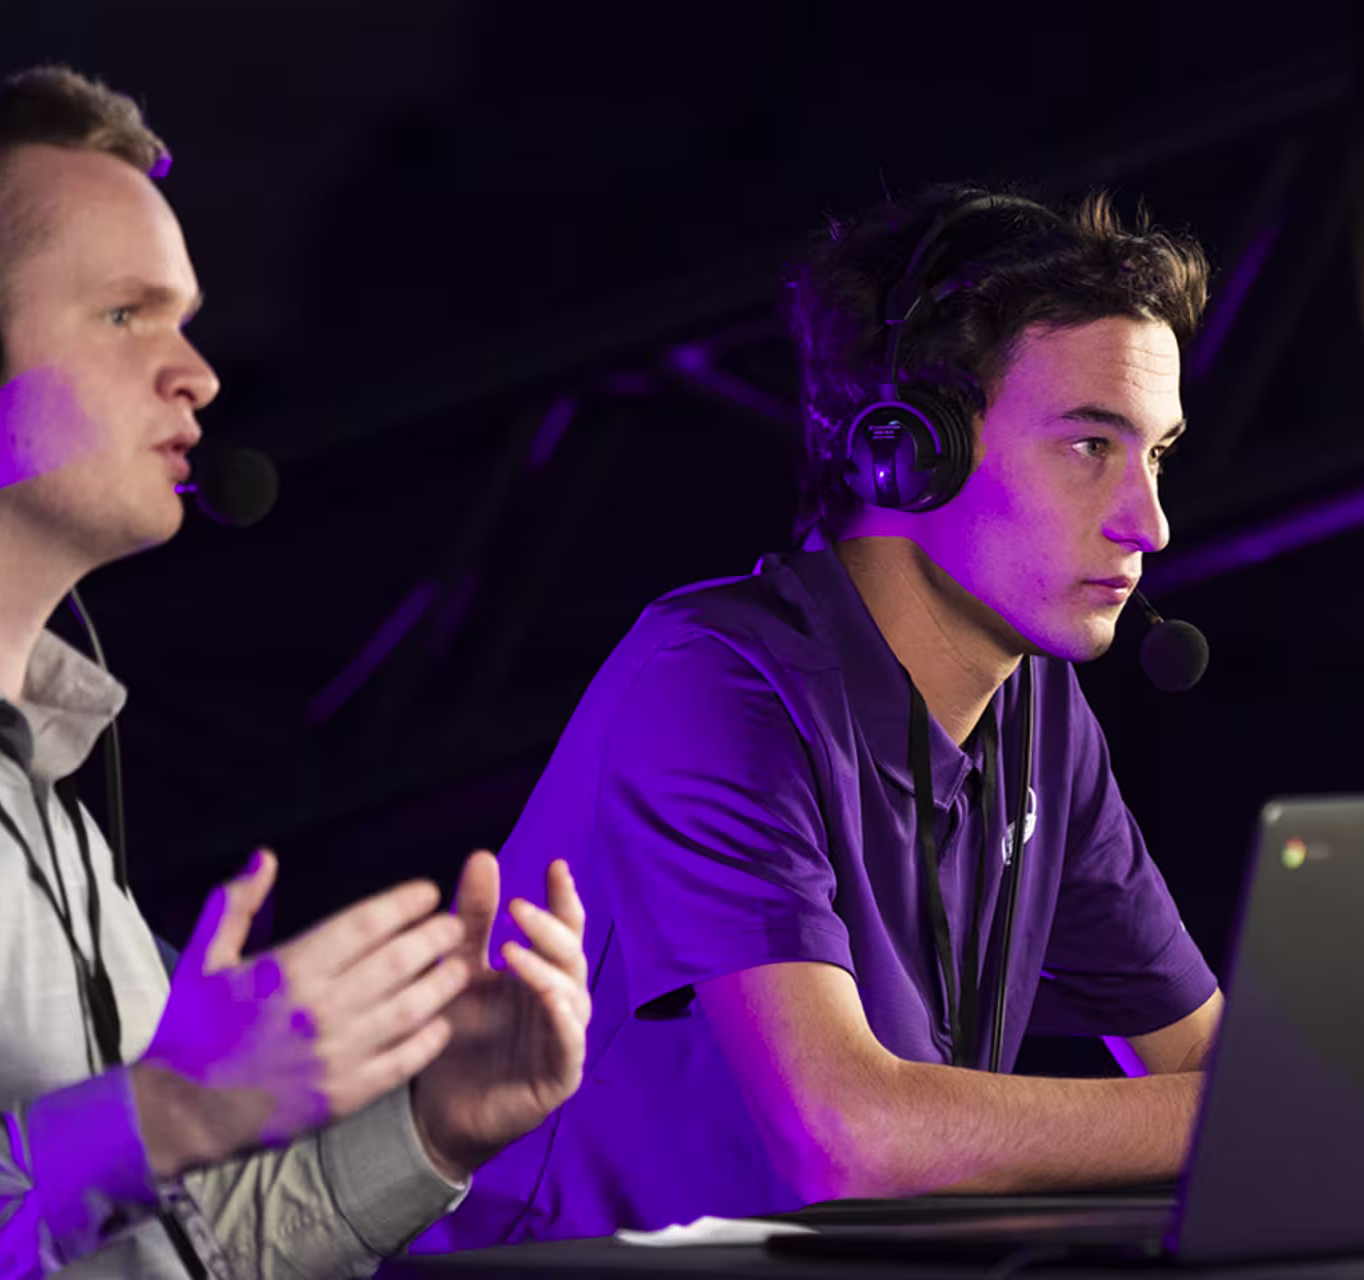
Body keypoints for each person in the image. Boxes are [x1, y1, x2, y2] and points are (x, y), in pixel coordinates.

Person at [0, 67, 592, 1277]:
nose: (197, 375)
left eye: (183, 318)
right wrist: (163, 1114)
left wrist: (435, 1126)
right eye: (126, 315)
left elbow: (157, 1246)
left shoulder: (32, 797)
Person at [426, 184, 1223, 1246]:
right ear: (911, 452)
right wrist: (1248, 1118)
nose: (1150, 523)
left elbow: (1210, 1061)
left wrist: (1314, 1102)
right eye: (1090, 445)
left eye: (1157, 454)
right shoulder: (709, 685)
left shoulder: (1042, 713)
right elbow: (849, 1138)